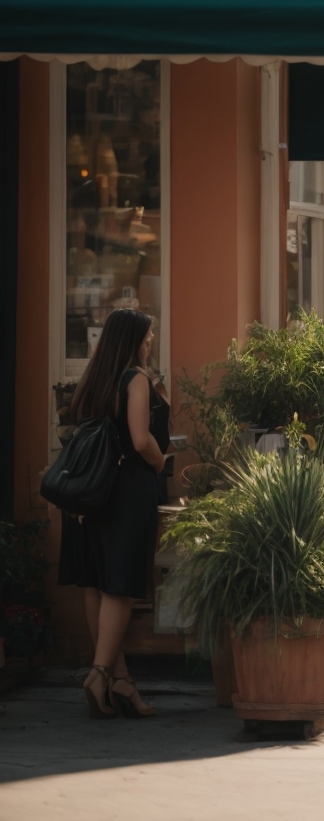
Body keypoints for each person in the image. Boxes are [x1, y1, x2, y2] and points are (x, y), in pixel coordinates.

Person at [58, 308, 168, 719]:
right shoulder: (135, 379)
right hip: (126, 492)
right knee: (120, 589)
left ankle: (120, 684)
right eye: (148, 334)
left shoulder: (93, 379)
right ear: (134, 338)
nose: (152, 340)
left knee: (97, 586)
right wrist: (160, 463)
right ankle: (100, 672)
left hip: (88, 495)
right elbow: (141, 440)